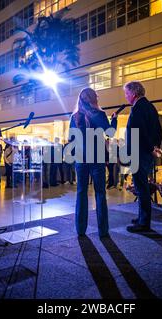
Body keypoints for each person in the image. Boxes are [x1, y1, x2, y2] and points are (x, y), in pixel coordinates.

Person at [69, 87, 117, 238]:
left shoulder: (74, 117)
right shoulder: (100, 114)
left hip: (81, 159)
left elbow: (71, 139)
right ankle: (103, 231)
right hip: (97, 159)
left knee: (81, 193)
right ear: (93, 99)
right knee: (100, 194)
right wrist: (114, 120)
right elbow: (110, 133)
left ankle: (80, 230)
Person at [123, 81, 162, 233]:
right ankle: (141, 217)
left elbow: (138, 133)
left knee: (141, 188)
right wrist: (154, 148)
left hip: (139, 153)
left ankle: (144, 222)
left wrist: (148, 148)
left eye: (127, 93)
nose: (126, 96)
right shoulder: (150, 106)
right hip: (145, 153)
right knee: (142, 186)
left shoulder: (138, 108)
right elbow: (159, 131)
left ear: (133, 93)